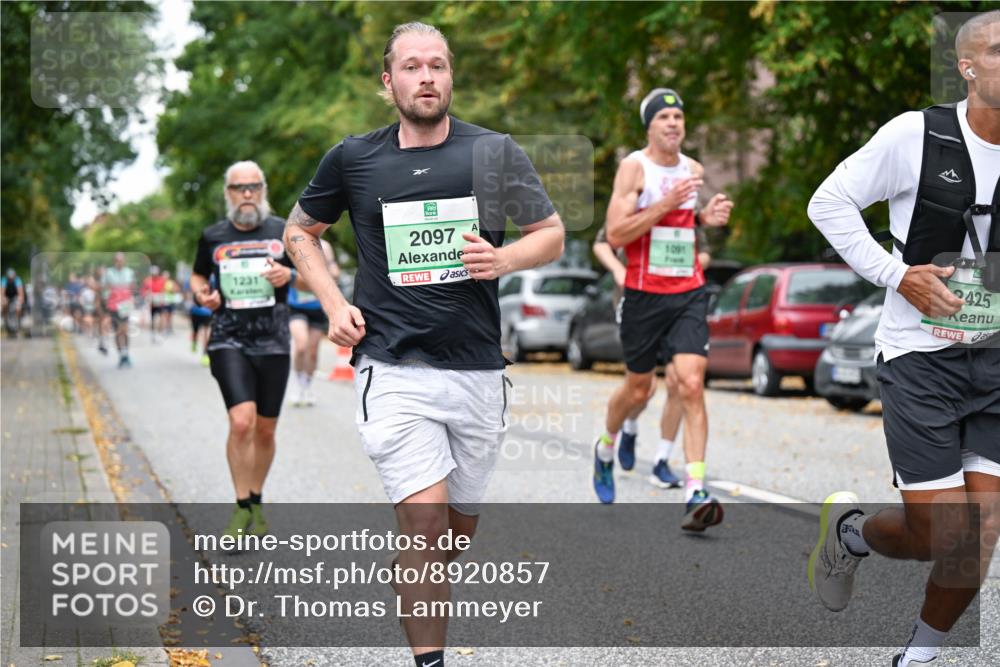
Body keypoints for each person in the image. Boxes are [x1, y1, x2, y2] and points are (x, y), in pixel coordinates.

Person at [283, 22, 563, 667]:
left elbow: (549, 233)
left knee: (455, 532)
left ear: (451, 76)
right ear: (390, 82)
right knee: (427, 523)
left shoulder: (493, 151)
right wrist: (333, 304)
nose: (427, 76)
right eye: (412, 66)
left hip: (476, 371)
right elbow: (300, 233)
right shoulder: (353, 158)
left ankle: (412, 571)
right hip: (393, 367)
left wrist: (505, 259)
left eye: (437, 65)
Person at [806, 11, 999, 666]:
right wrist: (898, 276)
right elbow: (828, 203)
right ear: (967, 67)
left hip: (996, 361)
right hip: (921, 359)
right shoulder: (916, 135)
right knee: (941, 533)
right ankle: (851, 534)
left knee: (981, 531)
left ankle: (918, 656)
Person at [592, 88, 733, 534]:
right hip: (643, 295)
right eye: (663, 117)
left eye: (678, 117)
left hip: (687, 292)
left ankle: (695, 490)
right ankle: (606, 445)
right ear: (649, 126)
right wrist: (667, 203)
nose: (673, 123)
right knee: (639, 390)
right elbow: (616, 233)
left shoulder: (694, 170)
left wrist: (705, 218)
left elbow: (683, 225)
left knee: (691, 384)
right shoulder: (634, 168)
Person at [191, 160, 302, 541]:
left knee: (266, 430)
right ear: (229, 193)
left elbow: (316, 273)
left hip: (273, 339)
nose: (248, 193)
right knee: (242, 422)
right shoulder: (213, 236)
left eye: (254, 186)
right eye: (240, 188)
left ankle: (255, 497)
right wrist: (201, 295)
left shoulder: (284, 231)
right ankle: (241, 507)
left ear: (263, 190)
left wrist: (290, 275)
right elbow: (198, 275)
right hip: (228, 337)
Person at [592, 222, 713, 488]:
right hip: (638, 299)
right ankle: (623, 430)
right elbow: (602, 243)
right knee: (642, 389)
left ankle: (663, 461)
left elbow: (704, 251)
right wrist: (619, 270)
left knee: (683, 383)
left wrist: (686, 266)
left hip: (680, 299)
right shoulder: (635, 200)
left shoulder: (687, 205)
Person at [287, 238, 339, 406]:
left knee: (313, 352)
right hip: (296, 305)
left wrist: (333, 272)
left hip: (317, 305)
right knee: (301, 345)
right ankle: (297, 384)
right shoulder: (292, 241)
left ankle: (306, 387)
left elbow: (333, 269)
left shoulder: (325, 245)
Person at [102, 252, 136, 368]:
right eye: (117, 260)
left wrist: (131, 296)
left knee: (124, 329)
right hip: (113, 304)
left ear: (124, 261)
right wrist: (106, 297)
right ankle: (121, 355)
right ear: (114, 261)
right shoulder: (108, 273)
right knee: (117, 330)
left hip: (125, 303)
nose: (119, 263)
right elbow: (104, 288)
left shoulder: (129, 272)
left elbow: (132, 286)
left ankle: (126, 353)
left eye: (121, 260)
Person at [185, 276, 212, 366]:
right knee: (196, 331)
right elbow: (188, 294)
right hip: (196, 312)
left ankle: (205, 354)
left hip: (207, 313)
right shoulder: (194, 281)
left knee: (206, 334)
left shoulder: (211, 280)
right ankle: (195, 343)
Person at [140, 265, 166, 343]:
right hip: (151, 303)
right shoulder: (147, 280)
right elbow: (143, 291)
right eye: (153, 274)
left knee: (162, 318)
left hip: (160, 302)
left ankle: (160, 333)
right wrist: (147, 294)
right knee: (152, 320)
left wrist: (162, 296)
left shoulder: (161, 280)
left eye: (155, 273)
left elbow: (164, 290)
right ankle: (153, 334)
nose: (154, 275)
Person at [2, 268, 25, 336]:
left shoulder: (17, 280)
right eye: (9, 279)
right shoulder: (3, 280)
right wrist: (3, 299)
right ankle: (5, 318)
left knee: (18, 307)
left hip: (15, 296)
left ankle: (18, 320)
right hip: (7, 296)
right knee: (4, 303)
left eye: (12, 278)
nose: (11, 279)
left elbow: (20, 292)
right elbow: (2, 292)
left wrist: (20, 300)